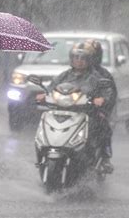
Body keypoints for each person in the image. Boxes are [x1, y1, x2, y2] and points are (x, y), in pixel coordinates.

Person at [36, 40, 116, 172]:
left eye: (83, 58)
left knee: (102, 126)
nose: (79, 61)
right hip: (62, 111)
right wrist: (44, 95)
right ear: (71, 58)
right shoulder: (64, 75)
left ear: (90, 60)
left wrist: (101, 100)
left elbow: (107, 92)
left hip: (87, 113)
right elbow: (51, 88)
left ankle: (104, 158)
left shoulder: (96, 77)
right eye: (76, 57)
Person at [84, 39, 117, 172]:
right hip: (74, 110)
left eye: (89, 55)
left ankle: (105, 158)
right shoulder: (71, 73)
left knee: (104, 128)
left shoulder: (103, 75)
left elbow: (111, 94)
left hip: (94, 112)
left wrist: (102, 106)